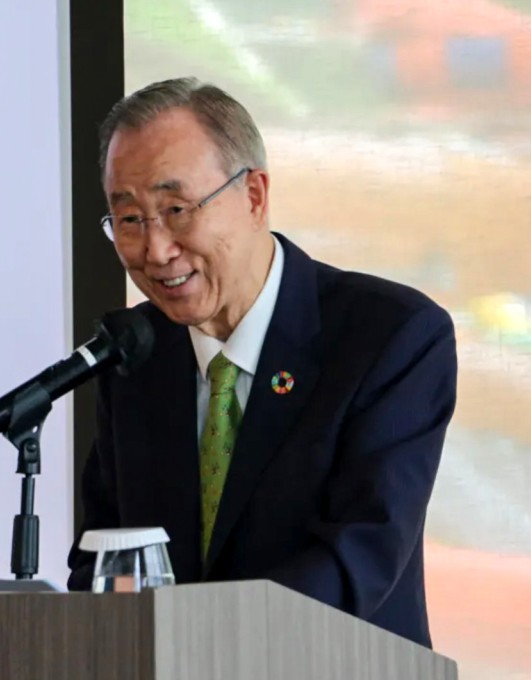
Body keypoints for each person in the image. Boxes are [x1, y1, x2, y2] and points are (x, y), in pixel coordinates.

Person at [67, 77, 457, 649]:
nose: (155, 249)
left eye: (176, 210)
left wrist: (206, 642)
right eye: (129, 219)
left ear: (253, 196)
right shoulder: (137, 353)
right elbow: (104, 555)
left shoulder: (389, 335)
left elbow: (359, 556)